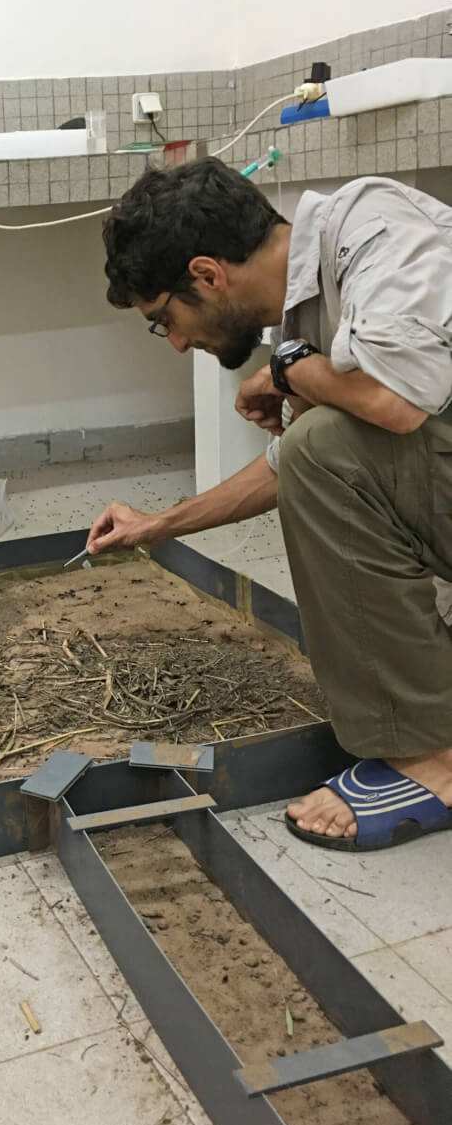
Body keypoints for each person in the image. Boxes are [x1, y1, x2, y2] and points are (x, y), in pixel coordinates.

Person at [87, 157, 452, 852]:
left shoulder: (376, 231)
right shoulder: (313, 301)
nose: (179, 341)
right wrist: (157, 527)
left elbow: (391, 403)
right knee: (320, 443)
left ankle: (429, 757)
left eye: (166, 319)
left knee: (324, 440)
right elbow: (295, 468)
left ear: (207, 274)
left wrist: (287, 369)